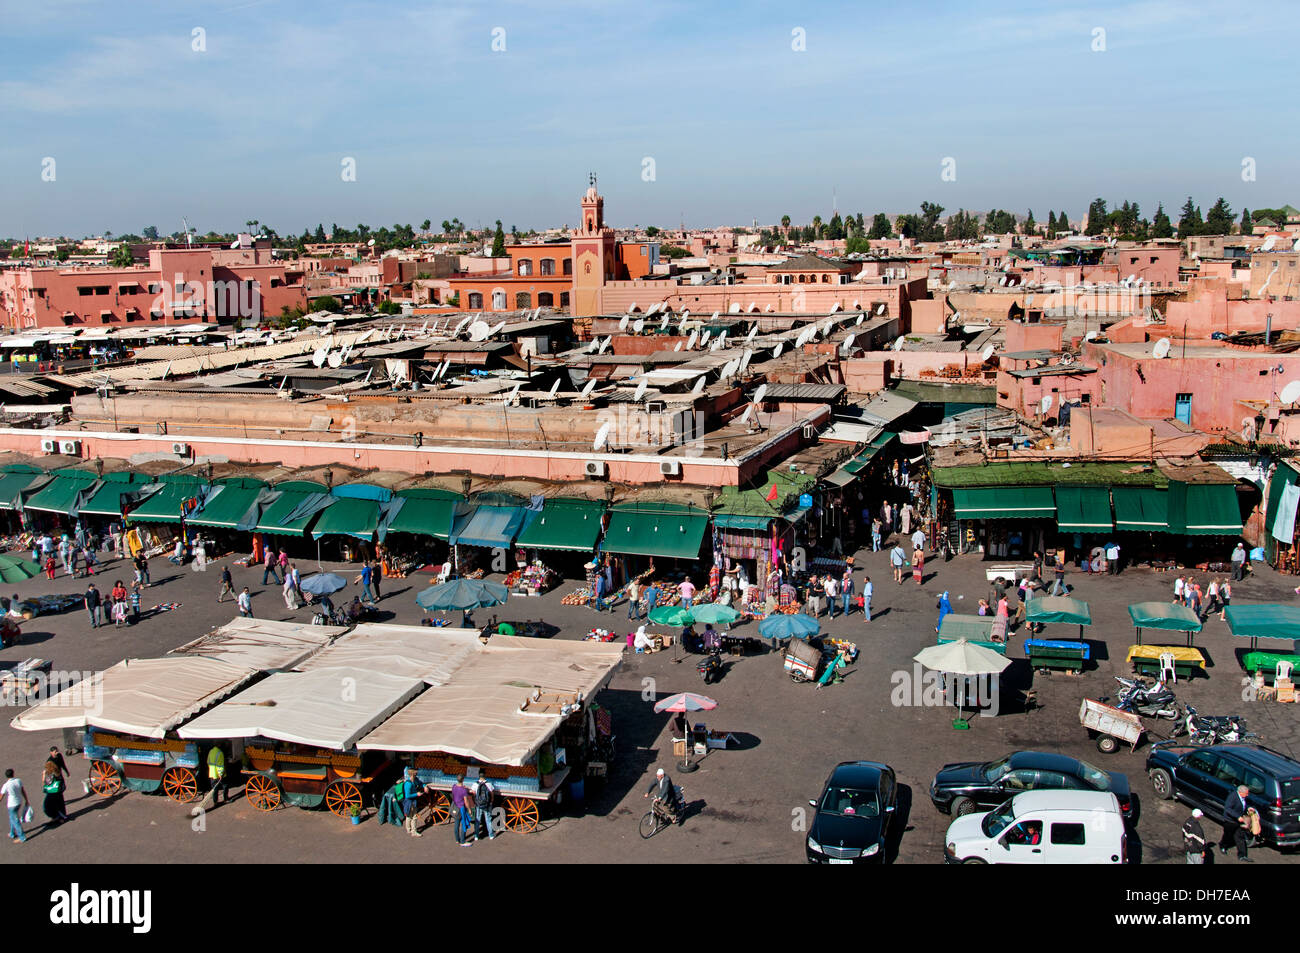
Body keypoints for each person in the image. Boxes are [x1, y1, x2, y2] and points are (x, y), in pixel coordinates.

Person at [1220, 784, 1252, 862]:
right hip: (1230, 821)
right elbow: (1228, 809)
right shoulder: (1232, 797)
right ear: (1241, 792)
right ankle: (1223, 845)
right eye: (1246, 793)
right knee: (1228, 835)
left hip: (1238, 822)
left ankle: (1242, 855)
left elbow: (1243, 805)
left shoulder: (1243, 797)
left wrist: (1248, 808)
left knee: (1240, 837)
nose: (1248, 795)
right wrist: (1238, 817)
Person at [2, 768, 29, 843]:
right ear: (13, 774)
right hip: (18, 802)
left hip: (11, 804)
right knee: (12, 818)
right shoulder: (18, 781)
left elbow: (1, 795)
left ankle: (22, 837)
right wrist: (26, 800)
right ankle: (12, 833)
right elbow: (23, 790)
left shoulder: (6, 785)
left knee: (15, 820)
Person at [40, 757, 68, 827]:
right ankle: (62, 817)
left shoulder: (50, 775)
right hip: (58, 791)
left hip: (52, 793)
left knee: (47, 806)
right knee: (59, 805)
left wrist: (43, 775)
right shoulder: (57, 773)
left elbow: (45, 783)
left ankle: (55, 816)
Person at [398, 767, 423, 837]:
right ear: (413, 774)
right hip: (410, 802)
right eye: (416, 773)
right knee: (414, 816)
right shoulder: (408, 784)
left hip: (411, 801)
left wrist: (425, 786)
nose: (417, 774)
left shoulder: (415, 780)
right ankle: (414, 831)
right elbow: (408, 795)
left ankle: (408, 829)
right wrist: (417, 794)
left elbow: (420, 783)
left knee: (408, 816)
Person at [450, 775, 473, 846]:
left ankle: (457, 839)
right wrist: (469, 809)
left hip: (455, 807)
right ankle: (463, 841)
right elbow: (466, 801)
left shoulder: (454, 786)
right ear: (463, 780)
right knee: (464, 824)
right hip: (461, 808)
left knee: (456, 824)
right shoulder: (463, 790)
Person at [474, 773, 496, 841]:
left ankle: (476, 836)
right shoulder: (489, 784)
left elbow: (473, 792)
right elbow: (492, 792)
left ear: (479, 777)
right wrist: (492, 800)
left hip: (479, 804)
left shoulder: (475, 784)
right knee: (488, 819)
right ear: (485, 777)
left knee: (477, 819)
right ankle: (491, 835)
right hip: (487, 804)